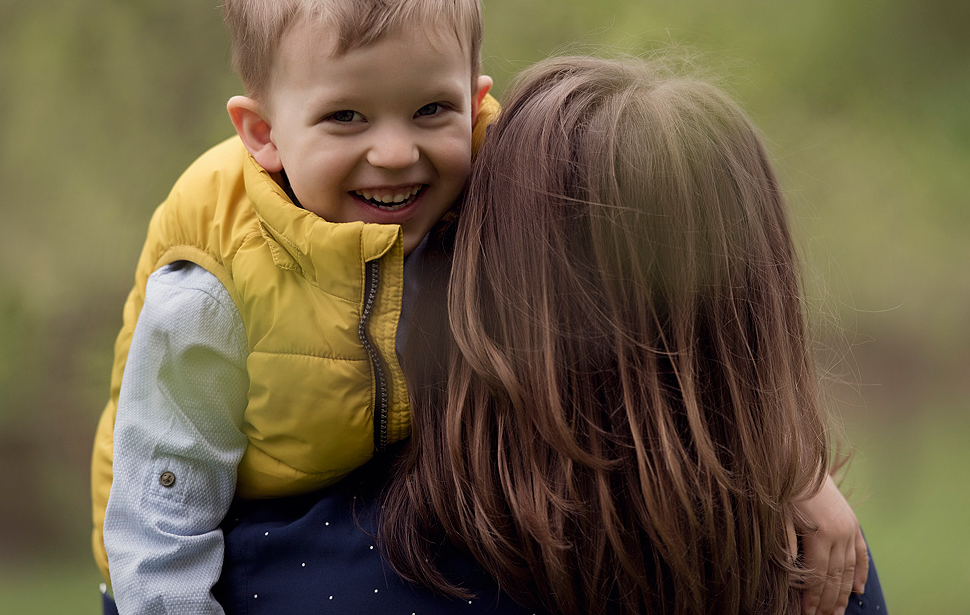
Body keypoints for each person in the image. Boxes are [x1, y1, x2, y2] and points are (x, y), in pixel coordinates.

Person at [209, 56, 887, 615]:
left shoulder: (281, 561)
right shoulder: (822, 574)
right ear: (753, 316)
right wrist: (780, 464)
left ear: (477, 279)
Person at [90, 0, 494, 611]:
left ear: (473, 100)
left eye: (430, 110)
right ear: (263, 133)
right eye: (346, 117)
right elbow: (160, 506)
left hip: (375, 494)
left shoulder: (495, 196)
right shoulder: (214, 282)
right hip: (204, 531)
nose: (396, 153)